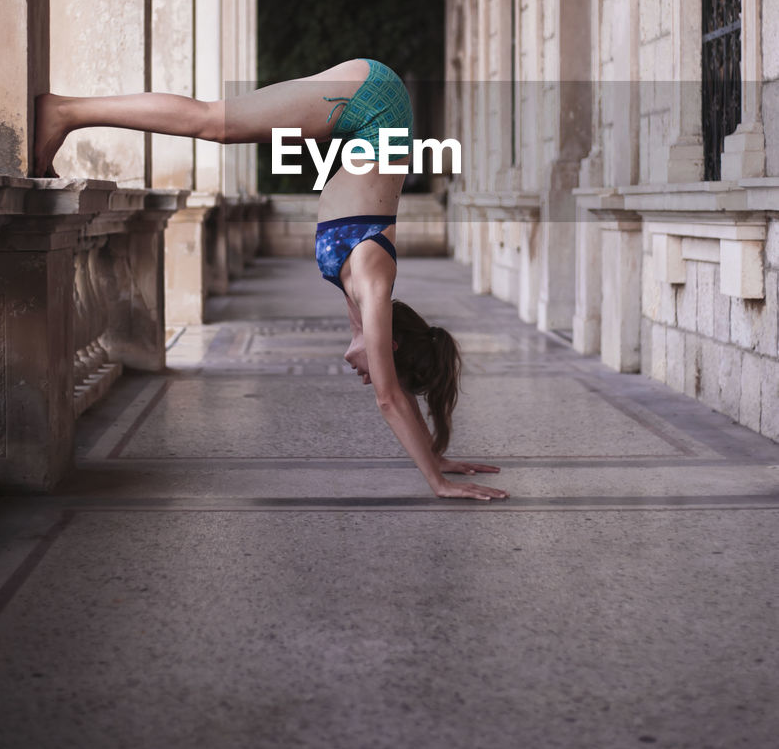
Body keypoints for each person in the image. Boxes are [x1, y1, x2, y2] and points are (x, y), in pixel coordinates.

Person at [34, 57, 508, 501]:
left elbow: (394, 389)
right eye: (381, 364)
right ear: (393, 346)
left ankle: (69, 112)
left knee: (214, 123)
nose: (368, 379)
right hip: (375, 101)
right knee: (213, 123)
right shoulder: (373, 284)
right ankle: (67, 112)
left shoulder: (363, 303)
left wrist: (435, 454)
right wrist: (436, 481)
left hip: (371, 112)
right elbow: (390, 399)